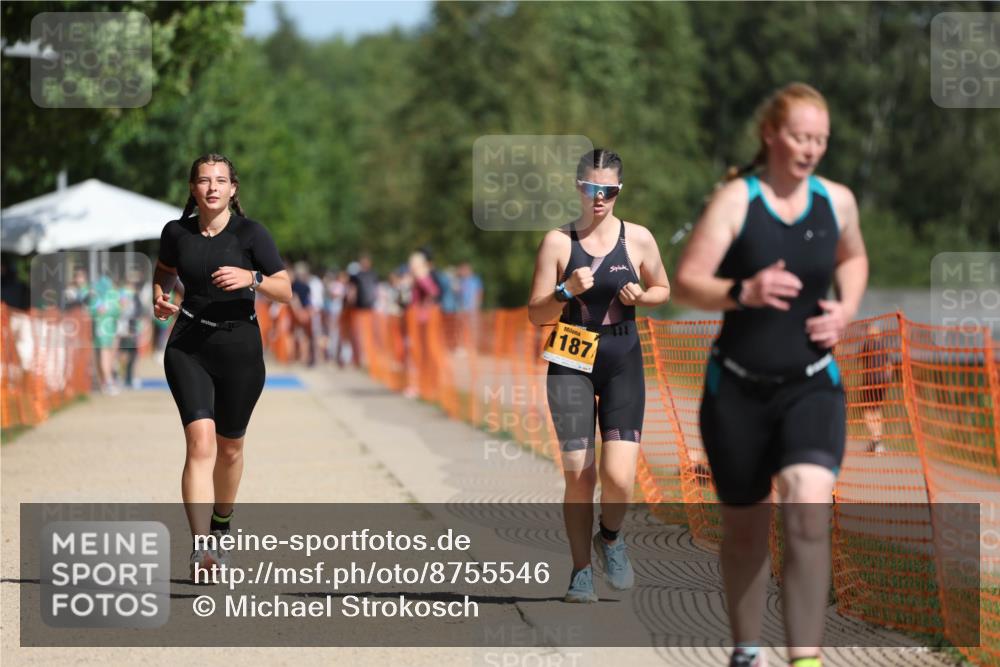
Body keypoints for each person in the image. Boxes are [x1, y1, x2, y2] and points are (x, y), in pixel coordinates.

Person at [673, 83, 868, 667]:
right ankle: (747, 651)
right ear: (771, 135)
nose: (812, 149)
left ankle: (805, 658)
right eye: (801, 136)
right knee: (745, 531)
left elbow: (852, 257)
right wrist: (743, 290)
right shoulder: (737, 200)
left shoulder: (838, 201)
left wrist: (847, 307)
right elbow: (687, 283)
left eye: (821, 139)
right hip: (735, 389)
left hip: (811, 383)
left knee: (809, 503)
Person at [528, 149, 670, 603]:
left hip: (622, 357)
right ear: (578, 187)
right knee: (579, 474)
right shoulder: (557, 242)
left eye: (609, 190)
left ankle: (609, 537)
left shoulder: (640, 239)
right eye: (592, 188)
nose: (599, 198)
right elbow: (536, 314)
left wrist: (645, 296)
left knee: (620, 477)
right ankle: (580, 572)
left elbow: (663, 288)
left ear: (618, 191)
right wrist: (565, 290)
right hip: (571, 358)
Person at [152, 153, 291, 582]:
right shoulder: (176, 232)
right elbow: (164, 271)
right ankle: (201, 551)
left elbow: (284, 289)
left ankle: (221, 525)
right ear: (193, 189)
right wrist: (158, 296)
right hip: (187, 345)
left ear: (233, 189)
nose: (212, 187)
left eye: (221, 181)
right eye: (203, 181)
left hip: (240, 350)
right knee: (200, 446)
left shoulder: (252, 234)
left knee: (230, 449)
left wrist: (252, 279)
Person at [860, 324, 891, 454]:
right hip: (883, 382)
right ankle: (877, 441)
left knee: (867, 411)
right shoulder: (884, 346)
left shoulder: (868, 345)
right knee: (877, 410)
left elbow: (861, 360)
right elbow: (889, 366)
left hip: (871, 381)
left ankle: (876, 440)